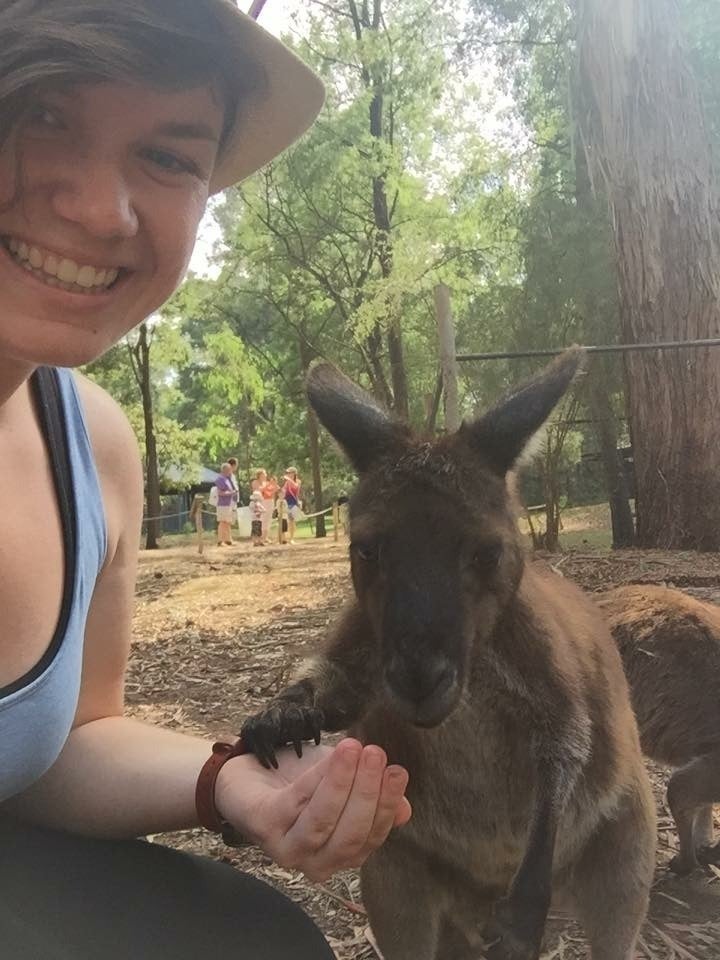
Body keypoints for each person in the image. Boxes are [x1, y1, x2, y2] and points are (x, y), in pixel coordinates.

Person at [0, 3, 411, 958]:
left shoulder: (93, 448)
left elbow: (62, 743)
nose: (103, 212)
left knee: (258, 941)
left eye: (171, 156)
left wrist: (229, 780)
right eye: (42, 116)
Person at [251, 467, 279, 542]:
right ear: (260, 475)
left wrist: (275, 484)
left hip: (270, 501)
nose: (266, 475)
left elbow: (272, 491)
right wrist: (269, 484)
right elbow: (259, 490)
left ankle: (265, 537)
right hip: (262, 502)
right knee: (262, 519)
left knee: (268, 519)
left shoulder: (267, 482)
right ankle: (260, 537)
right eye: (264, 473)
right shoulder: (255, 482)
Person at [215, 462, 238, 546]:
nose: (230, 472)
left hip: (228, 504)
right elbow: (220, 493)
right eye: (229, 470)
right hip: (223, 504)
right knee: (222, 522)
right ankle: (220, 540)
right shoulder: (220, 479)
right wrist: (231, 493)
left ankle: (228, 540)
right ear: (225, 470)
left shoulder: (227, 479)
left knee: (227, 522)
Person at [281, 467, 302, 544]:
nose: (288, 474)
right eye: (288, 473)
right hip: (287, 503)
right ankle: (285, 538)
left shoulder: (298, 481)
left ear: (294, 473)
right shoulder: (287, 483)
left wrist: (298, 502)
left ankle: (292, 538)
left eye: (290, 473)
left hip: (293, 503)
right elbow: (283, 491)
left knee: (292, 521)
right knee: (287, 521)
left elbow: (296, 487)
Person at [227, 455, 241, 528]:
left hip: (234, 499)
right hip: (230, 499)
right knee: (228, 518)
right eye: (236, 465)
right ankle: (227, 537)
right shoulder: (228, 474)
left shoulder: (232, 475)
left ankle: (229, 537)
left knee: (232, 518)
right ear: (233, 465)